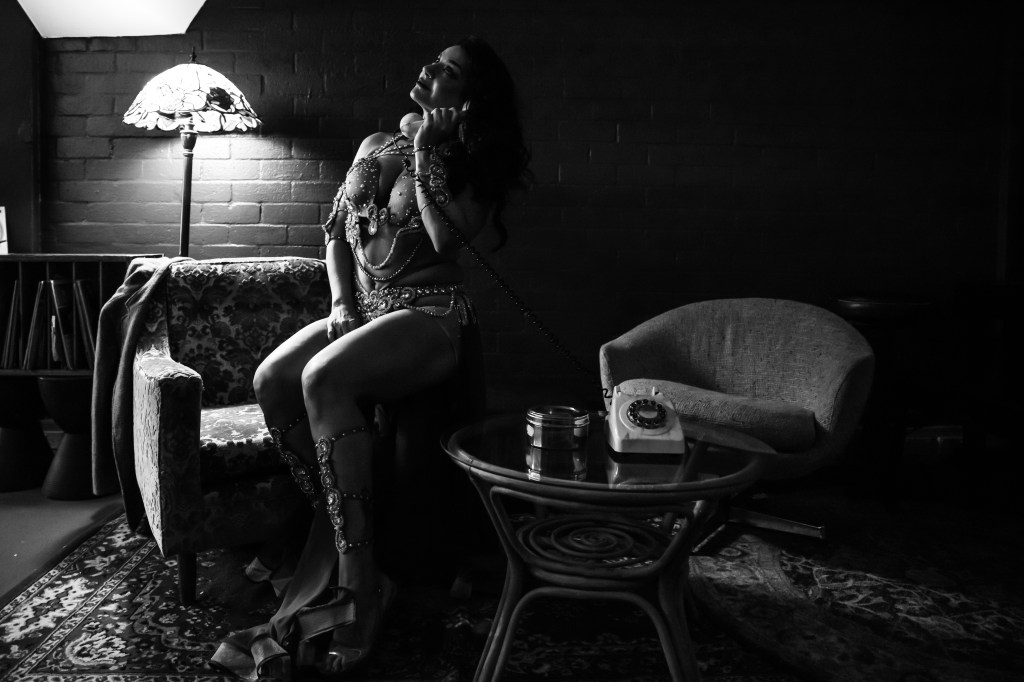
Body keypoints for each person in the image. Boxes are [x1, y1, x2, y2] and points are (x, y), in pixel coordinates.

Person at [211, 36, 531, 679]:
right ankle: (352, 519)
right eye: (433, 59)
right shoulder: (373, 144)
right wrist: (340, 304)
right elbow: (336, 230)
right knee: (273, 378)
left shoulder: (471, 160)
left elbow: (445, 238)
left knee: (323, 376)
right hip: (362, 306)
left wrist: (428, 148)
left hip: (430, 315)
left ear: (468, 99)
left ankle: (359, 582)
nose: (428, 68)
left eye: (447, 70)